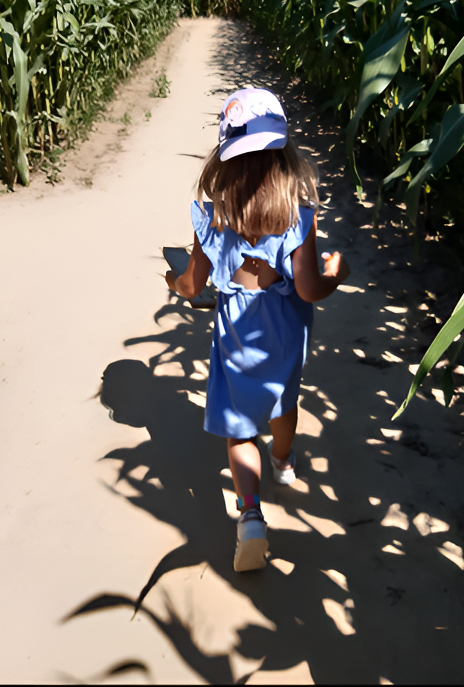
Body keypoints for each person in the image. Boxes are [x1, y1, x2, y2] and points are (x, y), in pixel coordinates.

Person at [166, 87, 349, 572]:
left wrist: (175, 281)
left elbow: (192, 284)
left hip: (234, 338)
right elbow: (308, 289)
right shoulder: (297, 217)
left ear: (224, 162)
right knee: (283, 402)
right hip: (285, 335)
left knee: (239, 429)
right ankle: (284, 462)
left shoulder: (213, 218)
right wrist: (337, 273)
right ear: (284, 157)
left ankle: (249, 514)